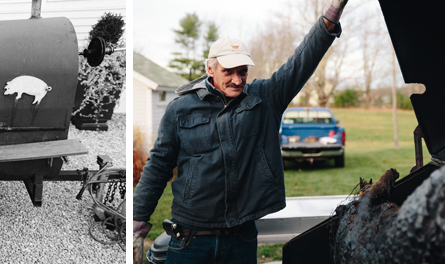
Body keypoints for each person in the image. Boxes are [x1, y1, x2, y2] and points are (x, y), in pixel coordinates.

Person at [132, 1, 348, 263]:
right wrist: (138, 218)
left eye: (242, 72)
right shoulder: (180, 109)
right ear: (210, 69)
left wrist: (331, 15)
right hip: (190, 239)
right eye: (228, 72)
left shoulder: (265, 98)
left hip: (241, 238)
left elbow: (301, 61)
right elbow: (159, 166)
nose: (237, 79)